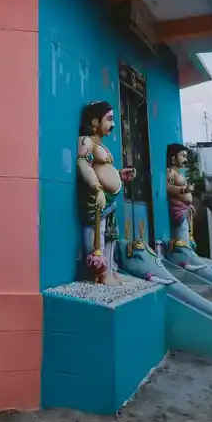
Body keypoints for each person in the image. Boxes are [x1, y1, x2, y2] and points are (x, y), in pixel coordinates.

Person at [77, 101, 136, 284]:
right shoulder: (86, 141)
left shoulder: (100, 144)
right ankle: (99, 273)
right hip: (97, 198)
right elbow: (83, 164)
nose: (113, 124)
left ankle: (109, 270)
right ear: (95, 121)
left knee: (111, 235)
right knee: (98, 235)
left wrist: (119, 174)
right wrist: (97, 188)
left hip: (110, 200)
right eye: (109, 119)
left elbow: (103, 169)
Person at [166, 143, 195, 246]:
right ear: (174, 157)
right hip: (179, 212)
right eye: (183, 156)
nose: (185, 159)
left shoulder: (179, 173)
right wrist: (184, 190)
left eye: (186, 156)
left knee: (186, 240)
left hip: (185, 211)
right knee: (182, 242)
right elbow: (168, 187)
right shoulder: (170, 172)